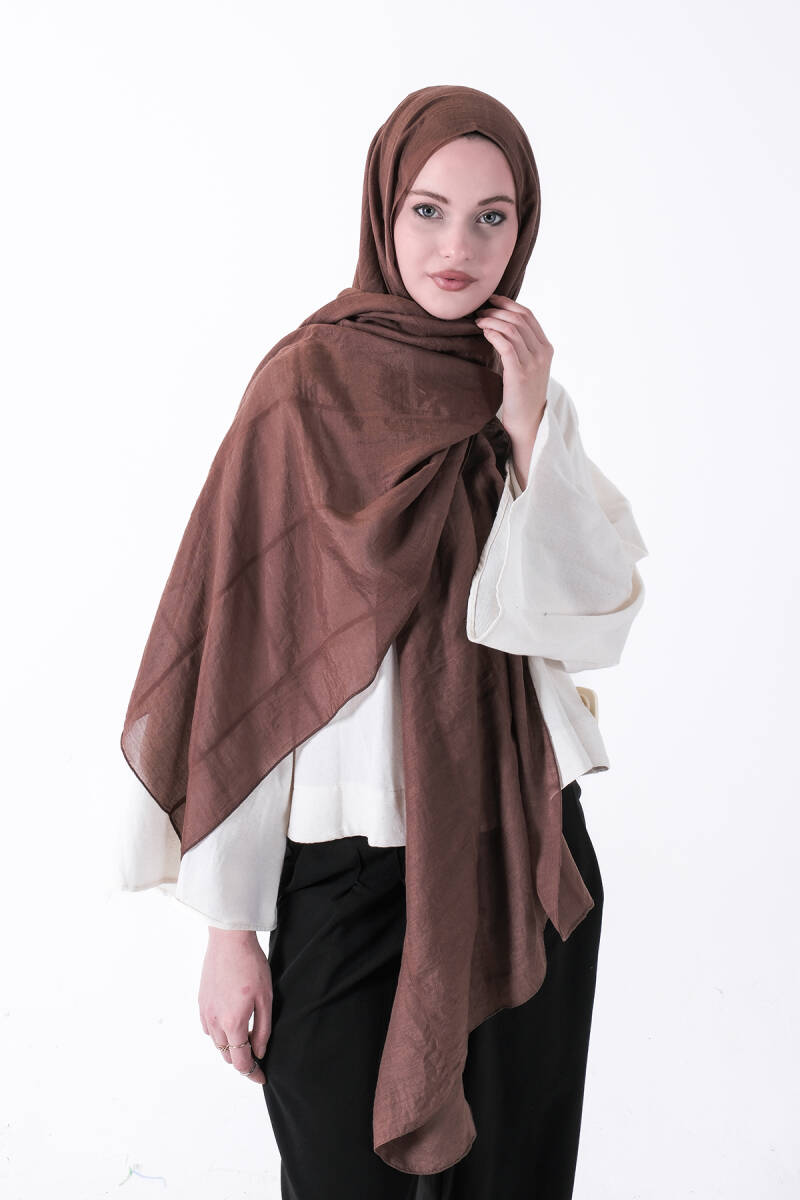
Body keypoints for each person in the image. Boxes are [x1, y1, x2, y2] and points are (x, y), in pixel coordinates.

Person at [118, 84, 648, 1199]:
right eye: (428, 210)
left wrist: (528, 426)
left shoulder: (521, 397)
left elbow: (589, 616)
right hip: (342, 874)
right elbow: (246, 666)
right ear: (382, 210)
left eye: (492, 217)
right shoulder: (300, 392)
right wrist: (230, 931)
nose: (458, 247)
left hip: (520, 848)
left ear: (523, 228)